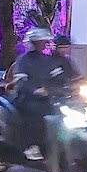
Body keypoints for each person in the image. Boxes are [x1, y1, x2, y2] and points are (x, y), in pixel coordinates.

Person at [12, 27, 55, 160]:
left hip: (47, 97)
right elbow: (20, 81)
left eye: (45, 41)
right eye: (41, 41)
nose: (44, 44)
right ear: (33, 43)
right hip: (27, 98)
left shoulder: (47, 59)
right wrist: (34, 90)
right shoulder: (23, 60)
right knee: (37, 114)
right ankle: (31, 145)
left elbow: (56, 75)